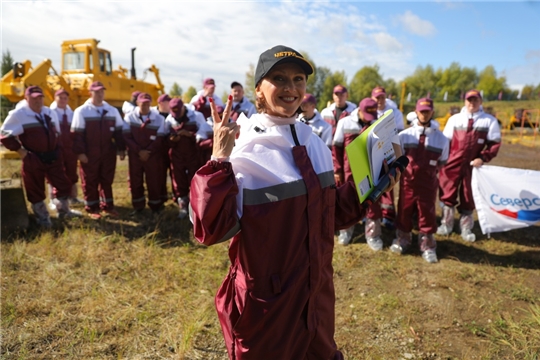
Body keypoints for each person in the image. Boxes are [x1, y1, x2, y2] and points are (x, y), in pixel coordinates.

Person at [189, 45, 399, 360]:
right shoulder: (244, 149)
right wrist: (219, 159)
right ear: (258, 89)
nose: (290, 87)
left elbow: (331, 214)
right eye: (279, 79)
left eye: (298, 79)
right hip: (267, 307)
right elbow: (210, 229)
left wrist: (371, 182)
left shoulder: (314, 141)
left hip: (316, 296)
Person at [0, 86, 81, 227]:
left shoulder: (49, 112)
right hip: (34, 157)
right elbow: (4, 135)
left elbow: (57, 132)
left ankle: (63, 210)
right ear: (26, 98)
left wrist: (58, 149)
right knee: (35, 188)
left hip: (53, 155)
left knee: (62, 183)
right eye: (34, 98)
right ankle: (42, 218)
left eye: (40, 97)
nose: (38, 101)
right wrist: (21, 151)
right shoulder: (19, 114)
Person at [437, 89, 501, 242]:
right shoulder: (454, 119)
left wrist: (483, 158)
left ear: (481, 102)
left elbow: (494, 144)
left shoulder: (489, 121)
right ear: (464, 101)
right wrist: (441, 160)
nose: (472, 103)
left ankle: (466, 227)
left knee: (468, 195)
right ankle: (446, 224)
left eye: (475, 100)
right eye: (469, 100)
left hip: (473, 166)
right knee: (447, 193)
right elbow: (445, 142)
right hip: (452, 163)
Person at [391, 98, 449, 263]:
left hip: (428, 185)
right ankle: (403, 239)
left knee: (427, 213)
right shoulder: (404, 136)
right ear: (416, 112)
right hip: (408, 183)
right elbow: (397, 157)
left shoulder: (441, 139)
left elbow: (442, 162)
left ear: (432, 112)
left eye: (427, 111)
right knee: (405, 210)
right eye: (421, 111)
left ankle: (428, 245)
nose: (424, 114)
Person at [332, 97, 385, 249]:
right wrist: (338, 171)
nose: (369, 120)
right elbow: (336, 148)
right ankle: (346, 232)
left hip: (372, 169)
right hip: (350, 172)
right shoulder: (345, 123)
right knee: (348, 201)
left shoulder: (378, 122)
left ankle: (373, 235)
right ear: (359, 111)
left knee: (373, 203)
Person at [71, 81, 126, 219]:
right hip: (90, 152)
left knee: (107, 179)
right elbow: (77, 135)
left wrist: (121, 149)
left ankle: (107, 206)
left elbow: (119, 132)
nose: (100, 94)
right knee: (90, 180)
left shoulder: (112, 111)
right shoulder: (82, 111)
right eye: (97, 92)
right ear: (90, 93)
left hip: (108, 152)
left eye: (102, 91)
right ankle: (92, 208)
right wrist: (80, 153)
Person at [165, 97, 210, 219]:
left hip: (193, 155)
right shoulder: (170, 119)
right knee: (179, 180)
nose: (176, 115)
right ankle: (183, 206)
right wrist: (173, 140)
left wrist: (190, 135)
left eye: (178, 111)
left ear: (183, 108)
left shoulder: (197, 116)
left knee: (195, 180)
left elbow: (203, 134)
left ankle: (197, 208)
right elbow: (166, 138)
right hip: (177, 155)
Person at [123, 92, 167, 215]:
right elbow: (126, 137)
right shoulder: (129, 117)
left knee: (153, 180)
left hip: (152, 156)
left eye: (147, 103)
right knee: (135, 180)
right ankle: (138, 207)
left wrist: (148, 151)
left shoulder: (159, 119)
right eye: (142, 103)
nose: (145, 106)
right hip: (135, 155)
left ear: (151, 103)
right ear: (137, 103)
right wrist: (139, 151)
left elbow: (160, 138)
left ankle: (155, 206)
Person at [371, 85, 405, 229]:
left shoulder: (394, 112)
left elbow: (398, 131)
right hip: (373, 150)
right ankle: (371, 214)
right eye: (377, 97)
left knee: (388, 181)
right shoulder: (369, 110)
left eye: (382, 97)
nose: (380, 100)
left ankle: (388, 215)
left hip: (389, 150)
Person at [49, 88, 82, 205]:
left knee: (72, 172)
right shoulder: (50, 113)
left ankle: (73, 197)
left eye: (65, 98)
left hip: (70, 148)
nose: (63, 100)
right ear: (55, 98)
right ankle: (54, 199)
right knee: (56, 173)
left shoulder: (71, 113)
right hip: (56, 148)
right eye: (60, 97)